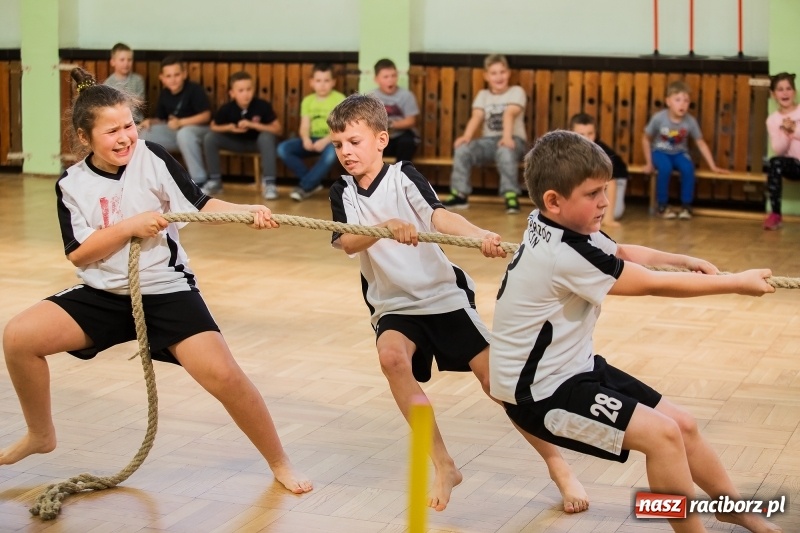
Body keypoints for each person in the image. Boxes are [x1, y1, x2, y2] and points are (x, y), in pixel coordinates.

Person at [0, 68, 312, 495]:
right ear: (84, 137)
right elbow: (79, 252)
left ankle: (279, 461)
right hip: (104, 293)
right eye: (112, 131)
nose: (125, 137)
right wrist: (130, 226)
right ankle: (41, 434)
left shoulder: (153, 156)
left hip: (166, 290)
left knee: (225, 376)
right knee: (19, 337)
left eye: (129, 125)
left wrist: (246, 211)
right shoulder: (71, 184)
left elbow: (200, 204)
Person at [490, 130, 780, 533]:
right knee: (662, 436)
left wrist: (681, 259)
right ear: (554, 200)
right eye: (593, 193)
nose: (604, 202)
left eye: (604, 190)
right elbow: (649, 283)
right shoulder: (563, 253)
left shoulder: (555, 224)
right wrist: (735, 283)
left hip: (572, 369)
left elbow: (622, 253)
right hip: (539, 395)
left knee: (683, 425)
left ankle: (732, 508)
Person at [327, 94, 589, 514]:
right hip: (394, 306)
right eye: (338, 144)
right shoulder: (342, 191)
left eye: (354, 142)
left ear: (381, 140)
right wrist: (385, 227)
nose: (346, 152)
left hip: (442, 298)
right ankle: (444, 464)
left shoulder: (403, 176)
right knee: (391, 357)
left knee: (495, 382)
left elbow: (438, 216)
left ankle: (558, 465)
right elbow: (346, 242)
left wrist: (478, 235)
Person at [442, 54, 527, 214]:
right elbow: (477, 116)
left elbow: (509, 114)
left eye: (502, 72)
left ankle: (510, 195)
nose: (499, 77)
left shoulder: (516, 91)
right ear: (486, 76)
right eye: (493, 73)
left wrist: (506, 137)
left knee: (505, 151)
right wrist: (467, 136)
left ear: (508, 73)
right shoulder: (483, 95)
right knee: (463, 149)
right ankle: (459, 194)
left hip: (513, 139)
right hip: (488, 141)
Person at [642, 81, 726, 220]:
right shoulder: (659, 118)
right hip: (660, 152)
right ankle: (662, 206)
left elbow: (701, 143)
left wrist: (713, 166)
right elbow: (645, 139)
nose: (682, 104)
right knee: (665, 168)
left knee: (688, 168)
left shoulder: (690, 121)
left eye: (686, 101)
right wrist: (649, 163)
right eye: (678, 100)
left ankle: (686, 206)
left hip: (679, 153)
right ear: (668, 102)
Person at [201, 71, 283, 198]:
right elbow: (213, 126)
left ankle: (270, 184)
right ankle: (215, 181)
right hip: (235, 143)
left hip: (257, 144)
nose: (246, 94)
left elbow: (278, 129)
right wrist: (229, 128)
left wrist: (253, 125)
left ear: (253, 90)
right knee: (210, 138)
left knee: (267, 137)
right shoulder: (227, 108)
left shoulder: (262, 106)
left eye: (249, 89)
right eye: (241, 90)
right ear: (232, 93)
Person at [276, 63, 345, 202]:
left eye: (326, 80)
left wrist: (325, 140)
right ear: (312, 82)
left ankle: (305, 186)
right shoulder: (308, 101)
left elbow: (342, 127)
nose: (322, 85)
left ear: (333, 82)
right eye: (318, 81)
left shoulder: (340, 99)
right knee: (283, 149)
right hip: (312, 139)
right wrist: (306, 139)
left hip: (332, 140)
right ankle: (312, 182)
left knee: (332, 153)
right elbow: (304, 126)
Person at [139, 55, 211, 187]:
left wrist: (181, 123)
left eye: (176, 75)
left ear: (184, 74)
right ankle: (149, 178)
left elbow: (206, 116)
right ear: (162, 78)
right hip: (176, 133)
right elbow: (162, 119)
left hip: (198, 132)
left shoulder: (194, 90)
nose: (173, 79)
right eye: (168, 76)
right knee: (145, 134)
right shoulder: (165, 94)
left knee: (185, 133)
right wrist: (150, 121)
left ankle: (199, 180)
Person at [570, 112, 628, 227]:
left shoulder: (601, 153)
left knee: (614, 212)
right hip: (589, 180)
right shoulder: (568, 149)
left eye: (590, 133)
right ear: (571, 133)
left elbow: (611, 182)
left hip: (615, 181)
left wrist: (609, 218)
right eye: (581, 134)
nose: (586, 138)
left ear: (595, 133)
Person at [763, 72, 800, 231]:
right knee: (774, 162)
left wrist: (794, 130)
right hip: (795, 166)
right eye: (780, 89)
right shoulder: (773, 120)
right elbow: (778, 150)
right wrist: (785, 132)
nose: (785, 93)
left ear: (794, 92)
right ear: (773, 95)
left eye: (788, 88)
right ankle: (776, 215)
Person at [370, 58, 420, 162]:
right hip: (379, 136)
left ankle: (401, 170)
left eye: (393, 76)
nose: (390, 80)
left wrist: (390, 125)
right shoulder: (370, 97)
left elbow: (411, 121)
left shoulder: (406, 96)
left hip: (400, 136)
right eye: (386, 77)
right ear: (376, 79)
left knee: (407, 142)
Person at [102, 42, 145, 122]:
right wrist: (131, 101)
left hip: (137, 121)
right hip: (117, 122)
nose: (126, 63)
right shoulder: (108, 84)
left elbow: (141, 102)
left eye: (129, 60)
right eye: (122, 60)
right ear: (113, 62)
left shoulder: (138, 80)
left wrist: (120, 102)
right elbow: (108, 107)